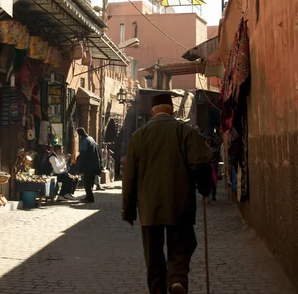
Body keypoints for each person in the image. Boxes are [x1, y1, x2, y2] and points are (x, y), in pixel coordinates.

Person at [122, 94, 212, 294]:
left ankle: (158, 290)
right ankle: (177, 278)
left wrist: (128, 211)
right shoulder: (186, 132)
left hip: (149, 208)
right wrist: (205, 188)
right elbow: (200, 163)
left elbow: (129, 178)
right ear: (172, 110)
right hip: (180, 204)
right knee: (181, 245)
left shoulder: (139, 136)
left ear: (153, 112)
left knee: (153, 255)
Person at [76, 127, 102, 203]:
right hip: (94, 164)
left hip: (88, 165)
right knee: (90, 182)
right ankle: (88, 197)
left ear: (79, 135)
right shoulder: (91, 139)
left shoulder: (84, 141)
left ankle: (89, 197)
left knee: (86, 182)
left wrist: (80, 168)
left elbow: (83, 155)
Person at [206, 138, 221, 202]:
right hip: (214, 167)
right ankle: (213, 195)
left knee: (208, 181)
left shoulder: (206, 151)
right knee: (214, 181)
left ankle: (208, 195)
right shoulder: (216, 150)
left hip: (208, 167)